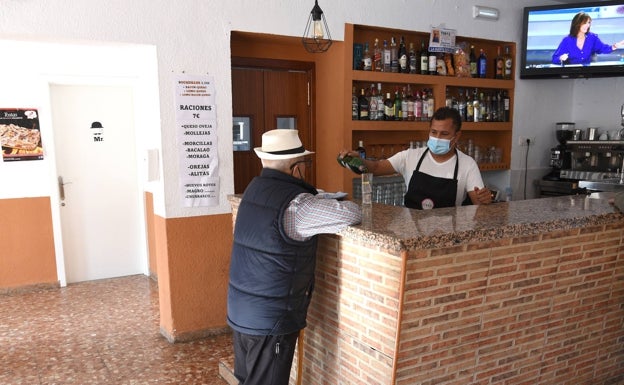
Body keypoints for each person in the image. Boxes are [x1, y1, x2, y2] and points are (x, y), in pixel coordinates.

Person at [227, 129, 361, 385]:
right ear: (296, 169)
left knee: (246, 380)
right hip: (271, 321)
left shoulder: (253, 190)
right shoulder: (298, 206)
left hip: (241, 311)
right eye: (306, 164)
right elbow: (350, 215)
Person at [339, 107, 492, 210]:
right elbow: (376, 168)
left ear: (457, 136)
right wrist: (358, 161)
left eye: (444, 134)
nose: (437, 138)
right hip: (410, 232)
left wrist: (484, 200)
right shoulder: (410, 156)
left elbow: (478, 207)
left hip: (448, 236)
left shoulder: (467, 164)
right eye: (433, 132)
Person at [551, 12, 624, 65]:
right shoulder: (567, 40)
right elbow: (554, 59)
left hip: (588, 73)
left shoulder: (592, 37)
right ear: (577, 24)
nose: (587, 25)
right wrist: (561, 58)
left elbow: (603, 48)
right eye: (584, 23)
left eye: (588, 23)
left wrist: (615, 46)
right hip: (572, 74)